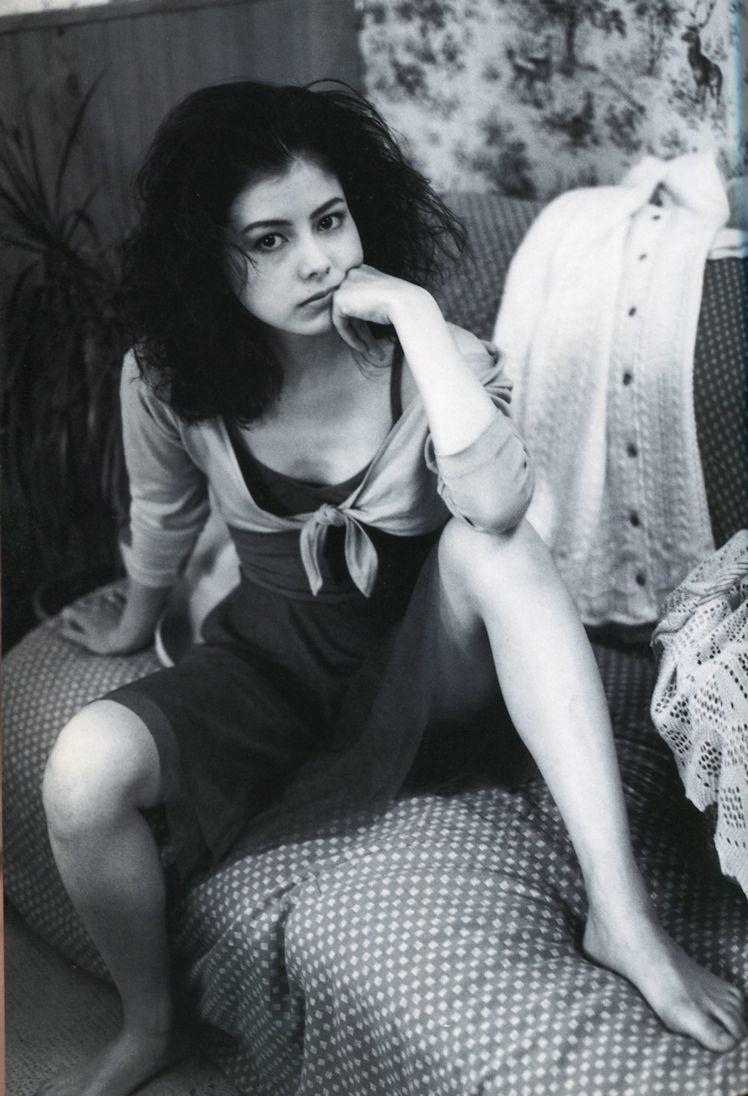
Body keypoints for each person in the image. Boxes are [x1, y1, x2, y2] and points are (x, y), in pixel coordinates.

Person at [41, 81, 744, 1096]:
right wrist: (134, 620)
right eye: (270, 239)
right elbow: (165, 518)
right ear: (207, 259)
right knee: (80, 771)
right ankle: (149, 1022)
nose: (319, 259)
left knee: (494, 550)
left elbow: (499, 506)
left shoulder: (429, 358)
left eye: (330, 220)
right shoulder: (165, 373)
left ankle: (620, 915)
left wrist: (416, 315)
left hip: (428, 664)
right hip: (266, 666)